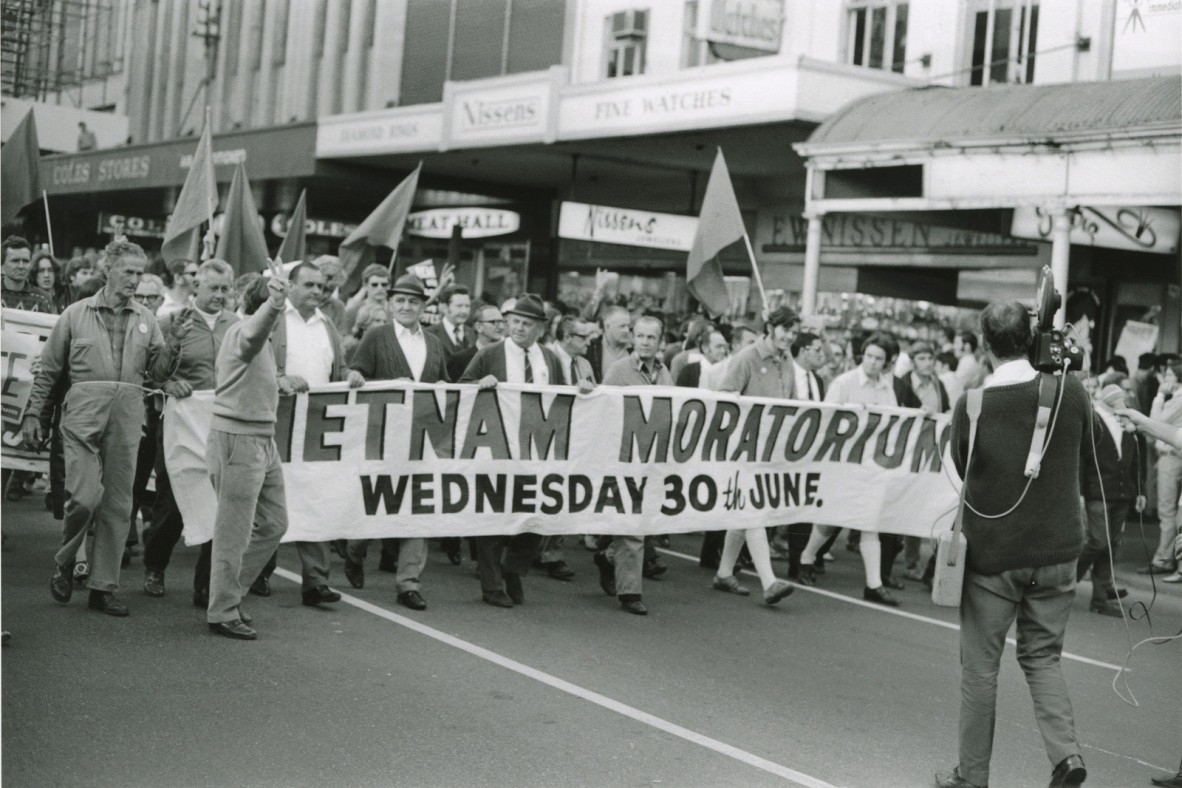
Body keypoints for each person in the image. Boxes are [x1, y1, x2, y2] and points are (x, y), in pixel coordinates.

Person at [935, 301, 1093, 788]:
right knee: (1043, 657)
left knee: (980, 668)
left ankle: (973, 777)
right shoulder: (1071, 390)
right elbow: (1084, 453)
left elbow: (960, 465)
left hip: (995, 555)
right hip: (1060, 550)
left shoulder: (974, 402)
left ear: (986, 345)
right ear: (1032, 338)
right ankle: (1066, 757)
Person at [23, 239, 168, 617]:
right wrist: (34, 415)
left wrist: (173, 354)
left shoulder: (147, 320)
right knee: (84, 498)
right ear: (109, 270)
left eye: (140, 273)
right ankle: (66, 560)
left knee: (119, 505)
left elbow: (159, 373)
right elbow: (50, 372)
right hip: (82, 418)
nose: (135, 281)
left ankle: (103, 587)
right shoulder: (74, 315)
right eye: (129, 272)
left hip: (127, 419)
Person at [344, 274, 449, 611]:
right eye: (400, 300)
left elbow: (446, 384)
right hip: (381, 436)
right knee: (374, 504)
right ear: (390, 304)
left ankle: (408, 584)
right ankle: (354, 551)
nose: (406, 306)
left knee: (419, 509)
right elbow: (357, 374)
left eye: (413, 301)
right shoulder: (377, 336)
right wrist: (370, 380)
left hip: (421, 441)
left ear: (423, 306)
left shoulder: (434, 343)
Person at [141, 260, 239, 606]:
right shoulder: (173, 322)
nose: (220, 295)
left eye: (226, 288)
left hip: (223, 427)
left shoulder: (237, 326)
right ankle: (155, 563)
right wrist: (169, 381)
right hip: (181, 426)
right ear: (196, 286)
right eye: (213, 288)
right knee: (172, 503)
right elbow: (152, 372)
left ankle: (205, 586)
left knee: (217, 503)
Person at [460, 293, 564, 608]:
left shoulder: (549, 359)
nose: (519, 328)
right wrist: (480, 383)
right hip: (496, 446)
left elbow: (562, 399)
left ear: (540, 329)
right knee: (493, 519)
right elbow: (461, 387)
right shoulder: (492, 354)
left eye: (527, 324)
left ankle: (513, 568)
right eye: (515, 322)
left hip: (535, 449)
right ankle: (492, 586)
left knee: (535, 518)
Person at [204, 267, 292, 640]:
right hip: (239, 439)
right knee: (233, 533)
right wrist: (275, 303)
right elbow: (253, 335)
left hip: (260, 440)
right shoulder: (246, 331)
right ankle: (222, 609)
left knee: (275, 523)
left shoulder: (260, 338)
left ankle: (227, 596)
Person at [797, 331, 907, 606]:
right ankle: (807, 558)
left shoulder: (886, 388)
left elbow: (894, 421)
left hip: (871, 465)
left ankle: (873, 584)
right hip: (843, 462)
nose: (872, 362)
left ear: (886, 362)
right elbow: (825, 420)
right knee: (831, 517)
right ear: (862, 356)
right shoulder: (844, 383)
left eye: (878, 358)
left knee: (869, 522)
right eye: (869, 356)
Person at [274, 262, 358, 607]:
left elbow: (338, 369)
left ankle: (316, 581)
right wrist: (279, 378)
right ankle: (261, 572)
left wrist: (351, 374)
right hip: (276, 423)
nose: (317, 292)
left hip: (316, 428)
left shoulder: (327, 326)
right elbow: (253, 361)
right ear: (290, 286)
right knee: (272, 501)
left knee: (315, 499)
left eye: (321, 287)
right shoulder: (274, 319)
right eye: (309, 285)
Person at [714, 307, 799, 606]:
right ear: (770, 328)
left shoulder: (787, 360)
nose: (790, 337)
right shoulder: (747, 358)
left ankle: (724, 573)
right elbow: (724, 396)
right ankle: (769, 581)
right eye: (785, 330)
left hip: (771, 448)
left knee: (744, 513)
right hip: (743, 448)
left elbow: (793, 403)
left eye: (794, 332)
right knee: (753, 510)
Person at [594, 314, 676, 615]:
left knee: (644, 521)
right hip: (624, 456)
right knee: (632, 524)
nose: (644, 342)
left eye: (650, 338)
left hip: (652, 459)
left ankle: (607, 554)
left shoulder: (665, 373)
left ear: (660, 342)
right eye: (639, 336)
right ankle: (631, 592)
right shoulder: (619, 371)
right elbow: (602, 408)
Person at [533, 315, 598, 582]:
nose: (588, 341)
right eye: (582, 336)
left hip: (573, 436)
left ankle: (552, 552)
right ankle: (530, 546)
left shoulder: (583, 363)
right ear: (567, 337)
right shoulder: (544, 357)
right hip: (544, 433)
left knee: (562, 492)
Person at [1078, 372, 1146, 615]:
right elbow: (1082, 458)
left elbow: (1138, 457)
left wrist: (1140, 489)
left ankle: (1099, 599)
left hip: (1122, 491)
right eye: (1121, 390)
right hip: (1097, 489)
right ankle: (1065, 581)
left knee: (1111, 544)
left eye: (1127, 390)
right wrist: (1080, 491)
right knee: (1098, 541)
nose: (1126, 394)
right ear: (1107, 392)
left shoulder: (1126, 419)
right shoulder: (1092, 419)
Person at [774, 331, 827, 578]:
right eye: (817, 350)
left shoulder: (817, 380)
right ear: (804, 350)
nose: (822, 355)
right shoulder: (786, 373)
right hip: (781, 449)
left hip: (808, 453)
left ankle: (798, 564)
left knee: (804, 507)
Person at [900, 341, 951, 581]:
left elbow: (948, 410)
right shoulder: (902, 384)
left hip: (930, 450)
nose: (928, 363)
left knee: (920, 504)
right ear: (913, 362)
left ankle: (912, 561)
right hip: (904, 451)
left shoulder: (938, 385)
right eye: (921, 358)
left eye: (930, 358)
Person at [1137, 358, 1182, 580]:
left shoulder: (1179, 397)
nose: (1166, 380)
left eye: (1170, 376)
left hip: (1171, 457)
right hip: (1175, 456)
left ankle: (1164, 558)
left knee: (1166, 510)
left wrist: (1160, 395)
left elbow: (1155, 423)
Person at [447, 303, 504, 382]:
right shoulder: (459, 360)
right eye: (494, 322)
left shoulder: (508, 356)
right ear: (478, 327)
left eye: (502, 322)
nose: (501, 327)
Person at [1, 236, 57, 313]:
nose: (21, 266)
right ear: (2, 265)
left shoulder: (43, 298)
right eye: (15, 261)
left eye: (25, 261)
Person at [585, 305, 632, 383]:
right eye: (622, 326)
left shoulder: (635, 349)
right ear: (607, 326)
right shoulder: (591, 348)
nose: (627, 330)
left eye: (628, 326)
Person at [425, 284, 473, 357]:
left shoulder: (474, 334)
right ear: (445, 308)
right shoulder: (428, 335)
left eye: (467, 306)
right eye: (459, 306)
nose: (464, 311)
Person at [344, 264, 390, 333]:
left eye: (384, 284)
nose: (380, 288)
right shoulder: (353, 312)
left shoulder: (395, 311)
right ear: (365, 285)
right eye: (374, 284)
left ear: (389, 286)